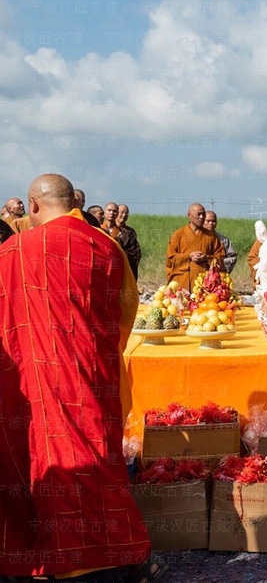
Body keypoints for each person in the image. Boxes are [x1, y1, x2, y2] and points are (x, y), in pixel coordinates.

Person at [0, 174, 165, 581]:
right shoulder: (105, 245)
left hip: (32, 380)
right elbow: (127, 312)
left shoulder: (12, 251)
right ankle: (110, 556)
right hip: (91, 380)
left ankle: (40, 556)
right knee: (96, 461)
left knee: (40, 461)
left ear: (33, 206)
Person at [165, 202, 226, 291]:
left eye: (203, 214)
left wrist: (206, 258)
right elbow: (170, 259)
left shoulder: (211, 236)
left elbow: (220, 258)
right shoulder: (178, 235)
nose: (201, 217)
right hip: (182, 282)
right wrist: (189, 256)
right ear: (189, 215)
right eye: (198, 214)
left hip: (204, 284)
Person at [117, 203, 142, 279]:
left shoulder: (130, 231)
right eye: (121, 212)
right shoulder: (108, 229)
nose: (124, 215)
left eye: (126, 213)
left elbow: (135, 250)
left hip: (129, 265)